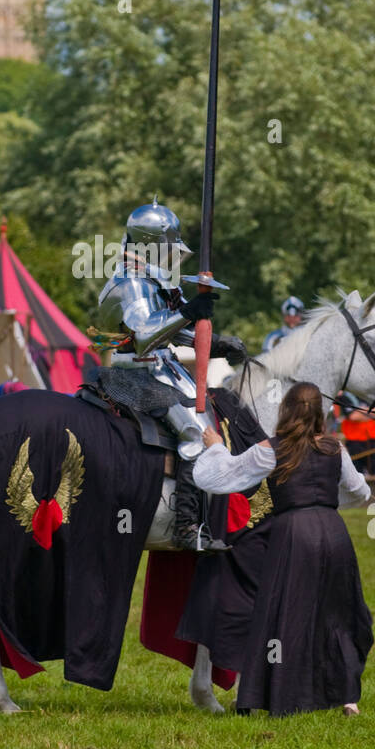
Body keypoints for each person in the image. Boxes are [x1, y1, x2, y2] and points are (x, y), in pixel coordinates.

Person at [194, 382, 373, 717]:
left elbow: (220, 477)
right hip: (334, 532)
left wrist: (216, 447)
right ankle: (347, 698)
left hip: (294, 534)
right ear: (319, 412)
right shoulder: (336, 449)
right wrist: (326, 502)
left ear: (286, 410)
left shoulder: (271, 449)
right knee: (337, 613)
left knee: (284, 615)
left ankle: (281, 695)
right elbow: (361, 492)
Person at [93, 198, 245, 553]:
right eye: (167, 246)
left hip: (161, 369)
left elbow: (170, 333)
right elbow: (145, 336)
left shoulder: (152, 279)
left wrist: (217, 343)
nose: (172, 255)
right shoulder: (128, 283)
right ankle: (186, 526)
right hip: (131, 374)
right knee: (194, 430)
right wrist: (191, 311)